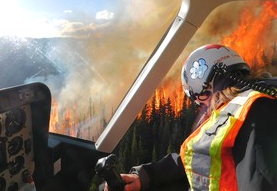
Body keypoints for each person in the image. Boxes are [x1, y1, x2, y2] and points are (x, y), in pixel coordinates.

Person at [104, 44, 277, 191]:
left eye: (200, 100)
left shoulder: (256, 108)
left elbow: (260, 178)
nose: (203, 107)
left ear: (203, 85)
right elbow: (194, 160)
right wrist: (144, 176)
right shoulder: (237, 109)